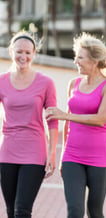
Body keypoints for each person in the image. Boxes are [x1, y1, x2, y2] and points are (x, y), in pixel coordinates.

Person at [45, 32, 106, 217]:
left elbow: (100, 119)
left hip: (100, 158)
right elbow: (68, 126)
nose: (76, 61)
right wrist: (63, 154)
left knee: (95, 212)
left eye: (80, 57)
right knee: (75, 211)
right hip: (72, 157)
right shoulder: (73, 84)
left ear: (95, 60)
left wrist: (65, 116)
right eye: (76, 57)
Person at [0, 30, 58, 217]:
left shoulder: (46, 82)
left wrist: (52, 152)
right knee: (10, 210)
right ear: (11, 52)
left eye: (27, 52)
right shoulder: (1, 81)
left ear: (34, 54)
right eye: (19, 52)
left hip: (34, 150)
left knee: (22, 210)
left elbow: (52, 120)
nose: (23, 56)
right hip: (7, 150)